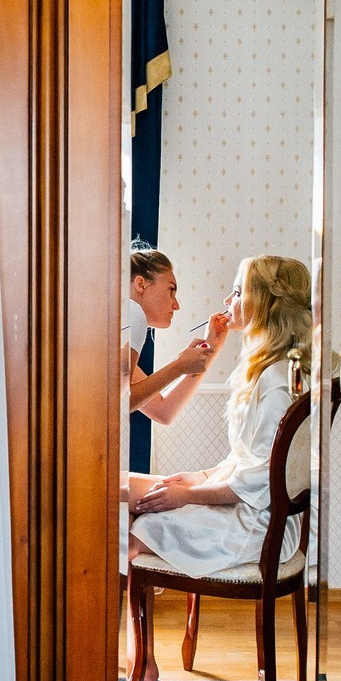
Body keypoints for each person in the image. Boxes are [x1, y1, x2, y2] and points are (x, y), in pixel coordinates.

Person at [131, 253, 312, 576]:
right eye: (172, 290)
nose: (227, 300)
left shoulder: (275, 379)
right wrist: (200, 479)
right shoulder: (274, 371)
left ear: (265, 303)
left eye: (238, 292)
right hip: (251, 508)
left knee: (129, 524)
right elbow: (252, 462)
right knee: (126, 493)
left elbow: (258, 476)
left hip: (254, 521)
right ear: (140, 285)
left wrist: (189, 492)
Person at [125, 246, 227, 423]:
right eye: (171, 290)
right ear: (141, 284)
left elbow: (163, 411)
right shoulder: (133, 314)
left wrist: (211, 346)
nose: (176, 305)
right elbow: (120, 401)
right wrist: (179, 365)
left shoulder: (119, 326)